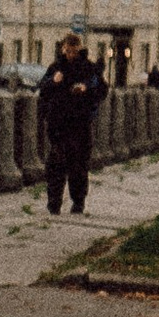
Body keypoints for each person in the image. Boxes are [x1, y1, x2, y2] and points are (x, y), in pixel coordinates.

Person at [38, 26, 107, 217]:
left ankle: (78, 202)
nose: (70, 54)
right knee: (56, 165)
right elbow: (43, 89)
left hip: (80, 124)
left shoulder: (88, 68)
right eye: (68, 51)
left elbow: (102, 89)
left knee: (78, 166)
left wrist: (85, 89)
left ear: (79, 50)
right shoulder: (55, 68)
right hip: (58, 125)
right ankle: (54, 204)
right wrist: (54, 81)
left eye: (74, 51)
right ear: (63, 49)